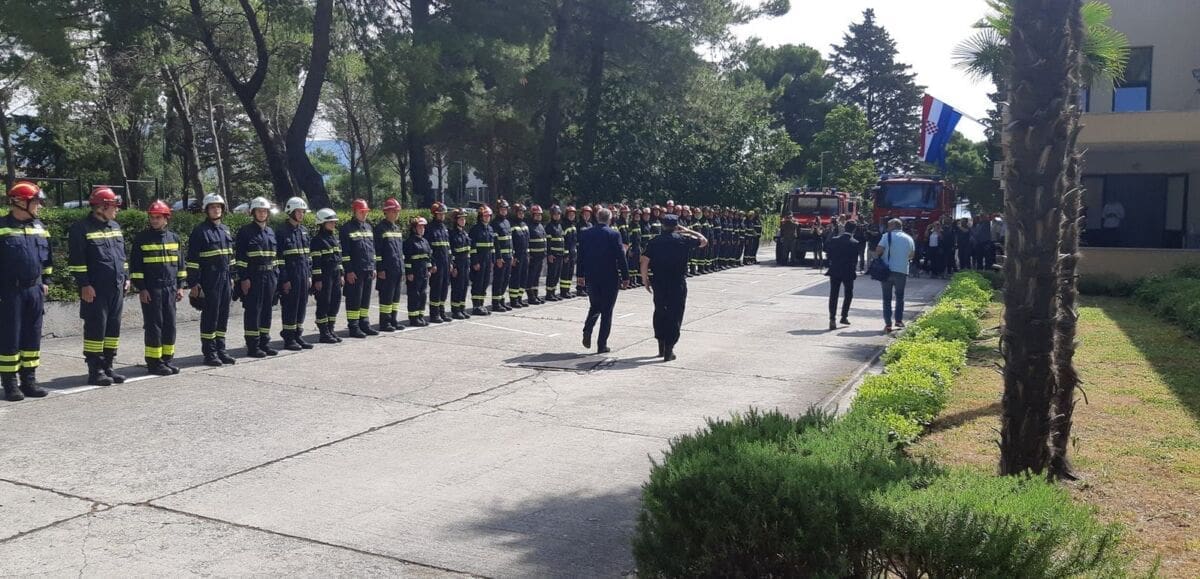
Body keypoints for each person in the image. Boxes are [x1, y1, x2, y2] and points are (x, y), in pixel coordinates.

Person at [69, 186, 129, 386]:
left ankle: (108, 366)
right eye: (113, 206)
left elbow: (122, 256)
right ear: (102, 207)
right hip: (95, 290)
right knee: (96, 329)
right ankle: (96, 370)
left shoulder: (115, 226)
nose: (117, 209)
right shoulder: (81, 228)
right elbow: (77, 262)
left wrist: (126, 277)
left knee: (113, 328)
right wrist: (84, 285)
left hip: (116, 287)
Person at [1, 181, 52, 401]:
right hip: (9, 292)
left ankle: (29, 380)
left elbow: (47, 259)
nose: (39, 206)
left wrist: (46, 280)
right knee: (10, 337)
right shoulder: (2, 227)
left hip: (35, 290)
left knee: (32, 335)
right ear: (21, 202)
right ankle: (10, 383)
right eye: (36, 202)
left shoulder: (40, 227)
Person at [129, 200, 185, 375]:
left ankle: (167, 360)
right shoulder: (142, 239)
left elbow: (180, 265)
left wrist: (180, 286)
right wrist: (142, 288)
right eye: (152, 217)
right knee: (154, 326)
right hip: (152, 290)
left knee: (170, 325)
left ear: (166, 218)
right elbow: (136, 268)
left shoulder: (174, 238)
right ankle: (154, 362)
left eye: (158, 217)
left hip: (170, 288)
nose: (154, 220)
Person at [641, 213, 707, 361]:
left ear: (663, 225)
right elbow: (704, 241)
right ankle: (669, 349)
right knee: (675, 314)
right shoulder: (683, 239)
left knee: (660, 311)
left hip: (659, 282)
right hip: (677, 282)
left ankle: (661, 345)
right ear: (676, 226)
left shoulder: (654, 241)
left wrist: (645, 279)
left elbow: (644, 261)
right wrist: (688, 231)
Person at [187, 194, 236, 366]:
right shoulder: (200, 231)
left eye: (219, 207)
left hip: (225, 279)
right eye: (212, 207)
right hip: (209, 280)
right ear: (206, 210)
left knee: (223, 315)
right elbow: (192, 260)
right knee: (210, 316)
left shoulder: (225, 230)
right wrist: (194, 284)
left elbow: (230, 257)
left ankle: (221, 350)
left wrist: (232, 277)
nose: (216, 210)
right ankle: (210, 353)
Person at [577, 207, 629, 354]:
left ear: (597, 218)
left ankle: (588, 329)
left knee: (595, 306)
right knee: (607, 311)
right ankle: (602, 345)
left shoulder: (586, 233)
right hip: (609, 277)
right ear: (610, 219)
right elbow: (621, 256)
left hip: (592, 276)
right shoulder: (614, 234)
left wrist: (580, 275)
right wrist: (626, 276)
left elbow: (581, 255)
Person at [235, 196, 279, 358]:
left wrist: (276, 276)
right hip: (254, 277)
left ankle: (264, 343)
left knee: (267, 310)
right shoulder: (245, 232)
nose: (262, 214)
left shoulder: (270, 232)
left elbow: (275, 257)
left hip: (270, 276)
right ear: (253, 213)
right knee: (253, 311)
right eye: (259, 211)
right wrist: (244, 278)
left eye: (264, 211)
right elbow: (240, 257)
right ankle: (253, 346)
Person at [276, 197, 313, 350]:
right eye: (298, 211)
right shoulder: (281, 232)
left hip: (303, 275)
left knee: (301, 306)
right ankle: (289, 338)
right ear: (290, 211)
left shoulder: (303, 231)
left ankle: (298, 335)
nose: (301, 214)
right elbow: (279, 258)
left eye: (303, 212)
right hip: (290, 277)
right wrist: (284, 279)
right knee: (290, 307)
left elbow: (308, 256)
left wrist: (309, 275)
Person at [341, 198, 377, 338]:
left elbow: (372, 249)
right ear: (354, 211)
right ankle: (354, 327)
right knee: (354, 300)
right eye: (361, 211)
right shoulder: (346, 228)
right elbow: (345, 253)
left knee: (365, 299)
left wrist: (373, 267)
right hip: (355, 271)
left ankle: (364, 324)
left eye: (365, 211)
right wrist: (349, 271)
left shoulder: (368, 227)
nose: (364, 214)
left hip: (368, 269)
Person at [874, 218, 916, 333]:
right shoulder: (908, 238)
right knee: (900, 296)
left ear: (893, 226)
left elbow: (878, 250)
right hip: (902, 270)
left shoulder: (886, 236)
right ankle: (898, 320)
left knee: (887, 298)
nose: (887, 228)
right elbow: (911, 255)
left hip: (887, 271)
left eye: (888, 226)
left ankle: (888, 324)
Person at [310, 208, 343, 343]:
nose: (334, 224)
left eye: (334, 222)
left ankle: (331, 329)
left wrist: (341, 275)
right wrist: (317, 280)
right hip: (324, 277)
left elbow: (338, 259)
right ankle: (324, 333)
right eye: (331, 222)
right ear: (322, 223)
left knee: (335, 302)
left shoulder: (334, 238)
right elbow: (316, 262)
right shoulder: (317, 240)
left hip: (335, 275)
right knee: (324, 303)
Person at [373, 198, 405, 332]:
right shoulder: (380, 229)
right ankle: (385, 323)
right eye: (394, 211)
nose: (396, 213)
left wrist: (402, 269)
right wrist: (380, 268)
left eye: (397, 211)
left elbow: (400, 251)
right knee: (386, 297)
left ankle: (393, 320)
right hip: (387, 270)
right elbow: (378, 251)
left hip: (397, 268)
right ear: (386, 212)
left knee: (395, 298)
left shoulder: (397, 228)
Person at [824, 220, 860, 330]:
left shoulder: (835, 240)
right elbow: (854, 260)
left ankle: (832, 318)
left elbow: (828, 252)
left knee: (833, 294)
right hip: (848, 271)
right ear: (854, 230)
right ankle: (844, 316)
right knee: (848, 294)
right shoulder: (855, 243)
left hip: (835, 270)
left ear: (845, 227)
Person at [404, 216, 434, 327]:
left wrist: (429, 269)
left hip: (423, 272)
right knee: (414, 295)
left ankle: (420, 316)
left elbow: (428, 256)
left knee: (423, 295)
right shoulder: (409, 242)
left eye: (423, 227)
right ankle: (414, 318)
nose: (422, 229)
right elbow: (407, 259)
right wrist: (409, 272)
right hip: (414, 273)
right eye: (420, 227)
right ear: (414, 229)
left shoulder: (425, 241)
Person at [425, 202, 452, 322]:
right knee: (436, 288)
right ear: (434, 214)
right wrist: (432, 264)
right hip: (437, 264)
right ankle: (434, 314)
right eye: (440, 214)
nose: (442, 216)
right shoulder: (430, 228)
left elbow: (448, 247)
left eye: (443, 214)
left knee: (444, 288)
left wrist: (451, 263)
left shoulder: (444, 228)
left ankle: (441, 311)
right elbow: (428, 248)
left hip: (445, 263)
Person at [470, 205, 496, 316]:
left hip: (488, 260)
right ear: (480, 217)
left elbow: (492, 247)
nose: (487, 218)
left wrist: (492, 260)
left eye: (488, 216)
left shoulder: (490, 229)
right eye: (485, 216)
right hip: (479, 261)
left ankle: (481, 304)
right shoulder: (475, 229)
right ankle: (476, 306)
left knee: (485, 283)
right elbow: (472, 248)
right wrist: (475, 262)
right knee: (478, 283)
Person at [447, 209, 473, 319]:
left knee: (464, 287)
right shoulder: (452, 234)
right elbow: (451, 252)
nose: (463, 221)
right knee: (457, 288)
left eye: (464, 219)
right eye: (461, 219)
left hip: (465, 264)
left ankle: (462, 308)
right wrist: (454, 266)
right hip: (458, 265)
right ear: (455, 220)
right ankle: (455, 310)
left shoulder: (464, 233)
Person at [491, 199, 514, 311]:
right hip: (501, 258)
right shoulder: (495, 223)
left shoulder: (507, 222)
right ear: (498, 210)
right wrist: (498, 258)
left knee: (505, 280)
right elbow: (496, 243)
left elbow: (510, 240)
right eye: (502, 209)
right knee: (498, 280)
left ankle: (501, 300)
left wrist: (512, 254)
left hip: (508, 256)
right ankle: (496, 303)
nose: (504, 211)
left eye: (505, 209)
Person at [508, 203, 529, 308]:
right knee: (515, 277)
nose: (521, 214)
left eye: (522, 212)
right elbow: (510, 242)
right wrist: (513, 255)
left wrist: (528, 254)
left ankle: (519, 298)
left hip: (525, 255)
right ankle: (514, 299)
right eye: (519, 212)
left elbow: (527, 241)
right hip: (517, 256)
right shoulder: (511, 225)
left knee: (523, 277)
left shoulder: (524, 225)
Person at [525, 204, 547, 304]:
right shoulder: (529, 227)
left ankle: (535, 294)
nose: (538, 217)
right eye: (536, 215)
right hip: (533, 256)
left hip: (540, 256)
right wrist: (529, 255)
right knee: (531, 276)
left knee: (537, 277)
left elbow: (544, 240)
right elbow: (527, 241)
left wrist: (545, 252)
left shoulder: (541, 226)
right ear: (532, 215)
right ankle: (530, 296)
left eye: (540, 215)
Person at [544, 205, 565, 302]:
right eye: (555, 214)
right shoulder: (549, 227)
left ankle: (553, 292)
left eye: (558, 214)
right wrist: (549, 254)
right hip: (553, 255)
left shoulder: (559, 226)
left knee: (557, 275)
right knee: (551, 274)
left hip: (560, 254)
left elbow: (562, 240)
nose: (557, 216)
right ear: (552, 215)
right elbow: (548, 242)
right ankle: (549, 293)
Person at [559, 206, 579, 299]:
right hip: (567, 254)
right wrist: (565, 254)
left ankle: (567, 290)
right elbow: (564, 242)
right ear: (566, 215)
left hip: (573, 253)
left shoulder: (573, 225)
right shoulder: (564, 225)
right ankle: (563, 291)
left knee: (570, 272)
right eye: (570, 214)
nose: (572, 216)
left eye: (573, 214)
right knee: (565, 273)